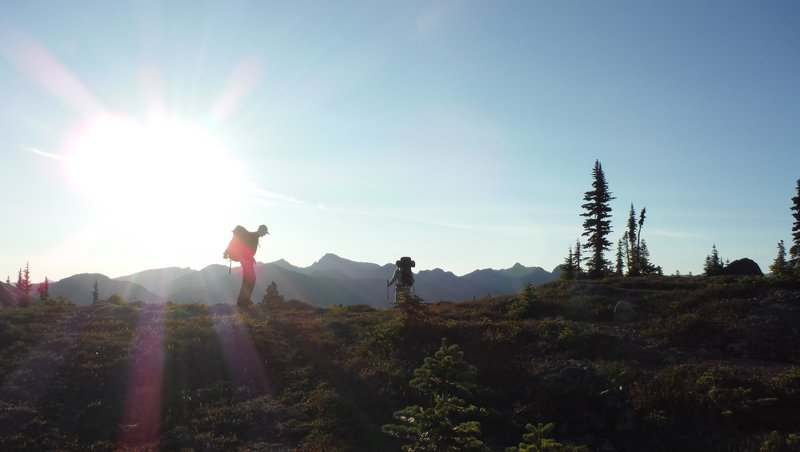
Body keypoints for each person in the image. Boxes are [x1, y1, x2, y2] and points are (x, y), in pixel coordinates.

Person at [224, 224, 269, 307]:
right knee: (250, 279)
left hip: (246, 260)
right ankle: (243, 301)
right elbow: (246, 249)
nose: (263, 235)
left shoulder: (253, 236)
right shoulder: (253, 236)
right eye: (264, 232)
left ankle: (243, 300)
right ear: (260, 230)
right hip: (245, 260)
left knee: (248, 279)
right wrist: (247, 258)